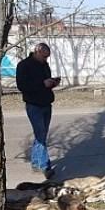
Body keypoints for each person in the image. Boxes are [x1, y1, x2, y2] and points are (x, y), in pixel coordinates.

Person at [16, 43, 61, 178]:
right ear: (37, 51)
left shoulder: (44, 65)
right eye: (44, 56)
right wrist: (42, 84)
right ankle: (45, 166)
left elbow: (46, 81)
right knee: (41, 135)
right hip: (33, 104)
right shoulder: (24, 65)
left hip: (46, 102)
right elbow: (22, 86)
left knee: (41, 134)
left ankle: (36, 162)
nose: (45, 60)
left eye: (47, 57)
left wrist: (53, 82)